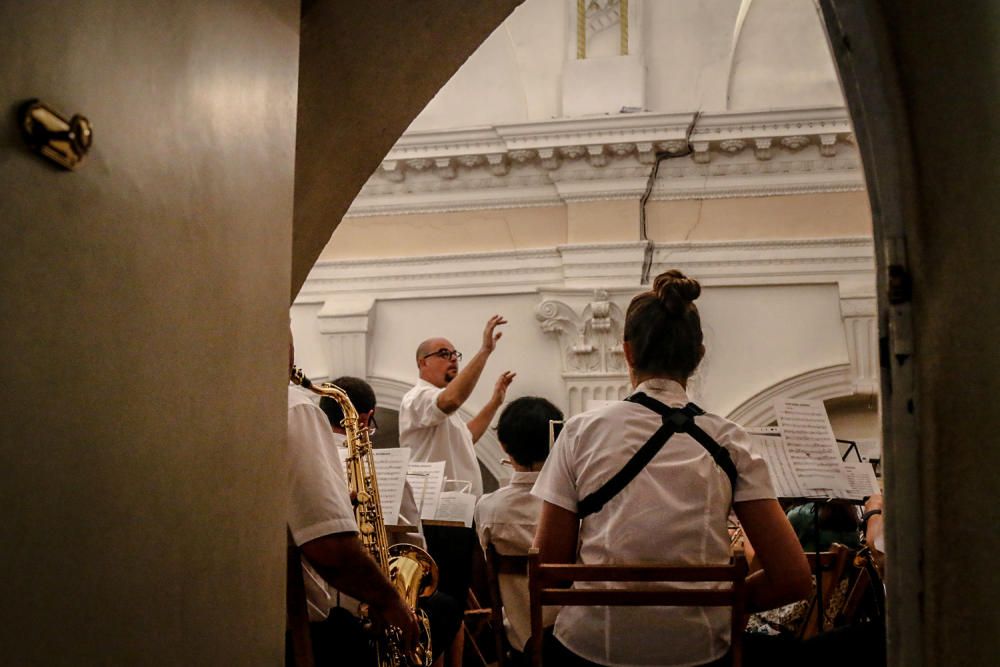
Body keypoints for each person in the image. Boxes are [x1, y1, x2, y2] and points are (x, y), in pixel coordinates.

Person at [532, 270, 812, 667]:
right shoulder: (730, 440)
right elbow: (793, 577)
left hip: (593, 649)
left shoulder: (580, 433)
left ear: (627, 352)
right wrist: (720, 603)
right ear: (698, 356)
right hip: (703, 651)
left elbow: (551, 570)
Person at [286, 342, 419, 666]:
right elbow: (329, 548)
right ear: (366, 418)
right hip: (307, 624)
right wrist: (390, 601)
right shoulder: (294, 407)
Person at [319, 375, 464, 667]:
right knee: (447, 607)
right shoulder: (378, 468)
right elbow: (415, 548)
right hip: (369, 610)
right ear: (366, 418)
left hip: (319, 610)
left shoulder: (311, 461)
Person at [475, 396, 564, 664]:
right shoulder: (574, 509)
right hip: (572, 640)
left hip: (521, 641)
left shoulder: (489, 508)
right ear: (557, 438)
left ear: (503, 446)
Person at [399, 315, 515, 497]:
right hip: (433, 509)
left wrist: (495, 402)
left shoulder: (440, 403)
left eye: (455, 354)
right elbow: (452, 399)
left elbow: (467, 438)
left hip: (457, 507)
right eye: (444, 354)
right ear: (423, 362)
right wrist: (484, 350)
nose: (453, 359)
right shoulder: (417, 398)